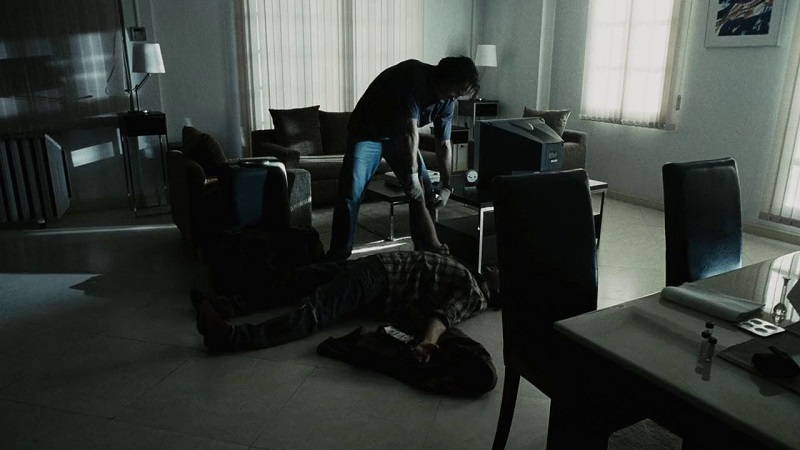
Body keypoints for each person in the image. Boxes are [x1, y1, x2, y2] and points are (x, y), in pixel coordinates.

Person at [194, 246, 499, 363]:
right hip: (376, 267)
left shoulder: (475, 294)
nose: (498, 267)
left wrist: (428, 343)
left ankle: (229, 338)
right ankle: (226, 306)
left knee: (315, 311)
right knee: (303, 277)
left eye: (503, 273)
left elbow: (444, 317)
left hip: (380, 279)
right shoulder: (469, 273)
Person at [326, 56, 480, 261]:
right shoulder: (412, 77)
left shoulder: (448, 102)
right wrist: (412, 176)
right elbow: (410, 132)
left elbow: (443, 145)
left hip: (397, 136)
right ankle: (338, 257)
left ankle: (425, 254)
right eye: (457, 91)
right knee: (350, 194)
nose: (456, 97)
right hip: (367, 133)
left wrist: (446, 186)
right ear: (446, 78)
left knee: (426, 192)